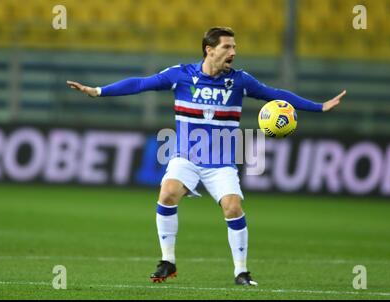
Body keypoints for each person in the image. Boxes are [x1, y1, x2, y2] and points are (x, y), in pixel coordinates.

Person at [67, 27, 346, 286]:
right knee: (167, 193)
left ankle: (241, 271)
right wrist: (98, 91)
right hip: (185, 156)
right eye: (227, 47)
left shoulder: (240, 81)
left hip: (222, 162)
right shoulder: (181, 75)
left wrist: (319, 107)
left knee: (233, 208)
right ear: (209, 50)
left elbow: (276, 94)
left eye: (234, 47)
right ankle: (167, 261)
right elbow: (141, 83)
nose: (233, 52)